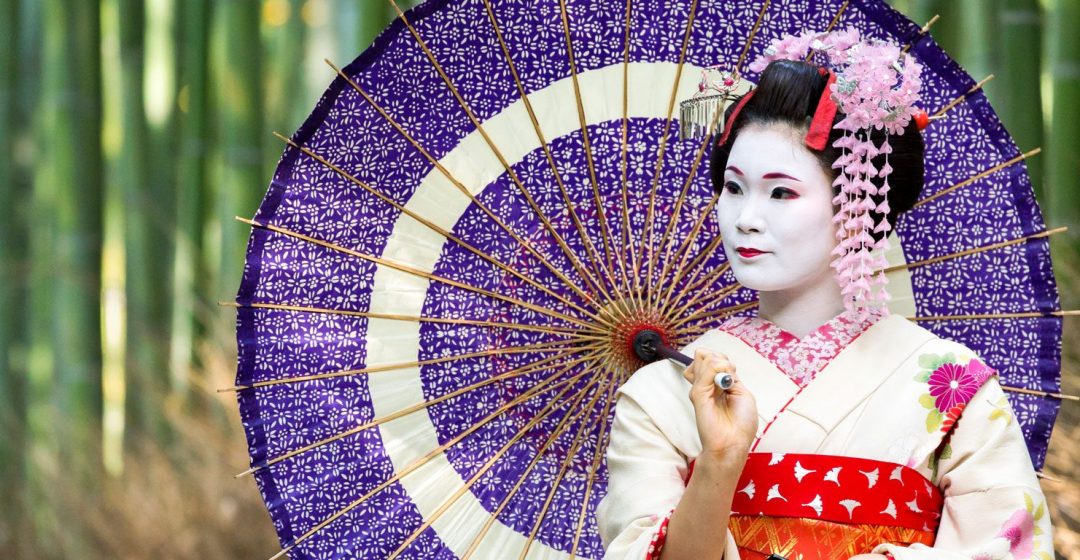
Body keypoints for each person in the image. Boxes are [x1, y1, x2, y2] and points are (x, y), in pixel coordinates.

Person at [597, 30, 1054, 560]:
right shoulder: (662, 395)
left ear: (859, 204)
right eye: (733, 187)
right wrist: (719, 463)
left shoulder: (952, 385)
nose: (746, 219)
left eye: (782, 191)